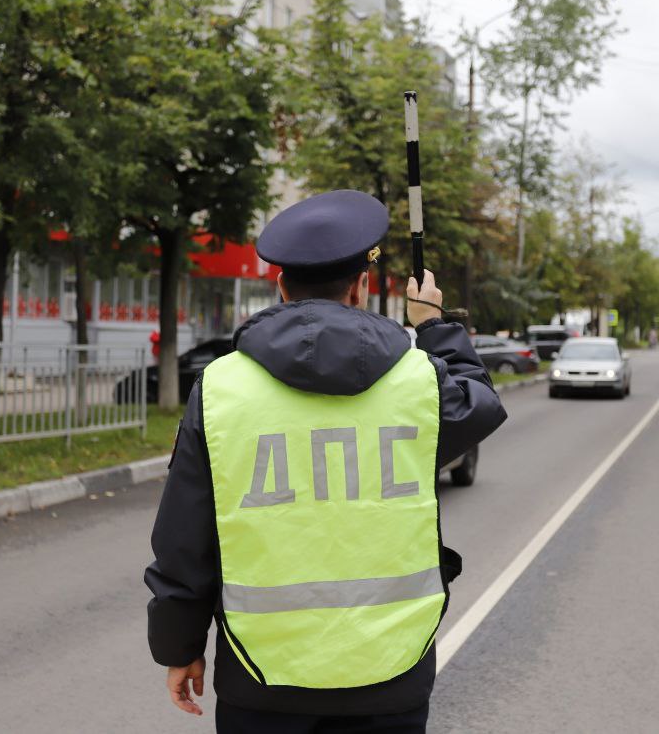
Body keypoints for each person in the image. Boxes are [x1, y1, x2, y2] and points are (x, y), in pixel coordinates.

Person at [144, 189, 507, 733]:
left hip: (260, 672)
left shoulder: (220, 387)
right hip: (393, 671)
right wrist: (434, 324)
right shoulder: (419, 379)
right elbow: (481, 406)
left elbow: (185, 535)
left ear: (280, 284)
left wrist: (180, 645)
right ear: (361, 285)